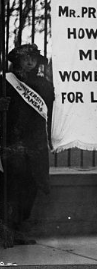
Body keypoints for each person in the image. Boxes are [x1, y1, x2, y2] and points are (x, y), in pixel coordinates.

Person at [0, 44, 54, 246]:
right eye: (26, 58)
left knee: (32, 186)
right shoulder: (5, 81)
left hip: (35, 143)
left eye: (33, 58)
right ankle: (8, 229)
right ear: (18, 60)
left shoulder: (44, 84)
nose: (30, 62)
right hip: (13, 142)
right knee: (12, 187)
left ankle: (19, 228)